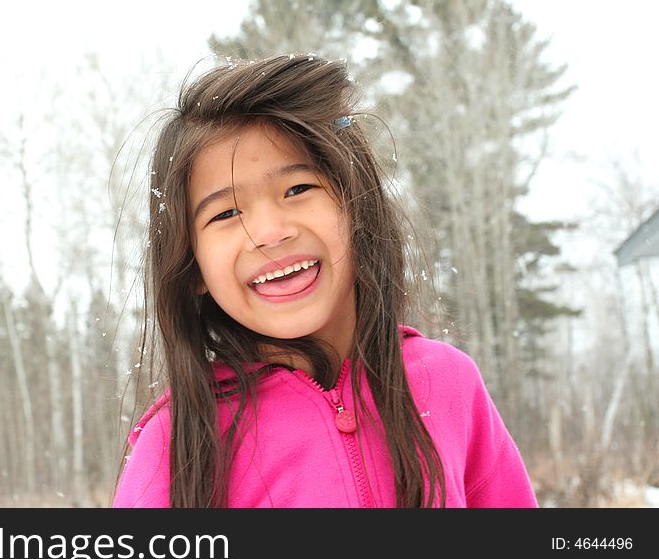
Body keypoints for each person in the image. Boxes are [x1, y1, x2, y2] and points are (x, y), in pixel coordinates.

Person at [112, 54, 538, 508]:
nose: (270, 232)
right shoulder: (176, 443)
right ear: (192, 266)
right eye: (227, 213)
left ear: (356, 205)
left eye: (297, 189)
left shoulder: (447, 384)